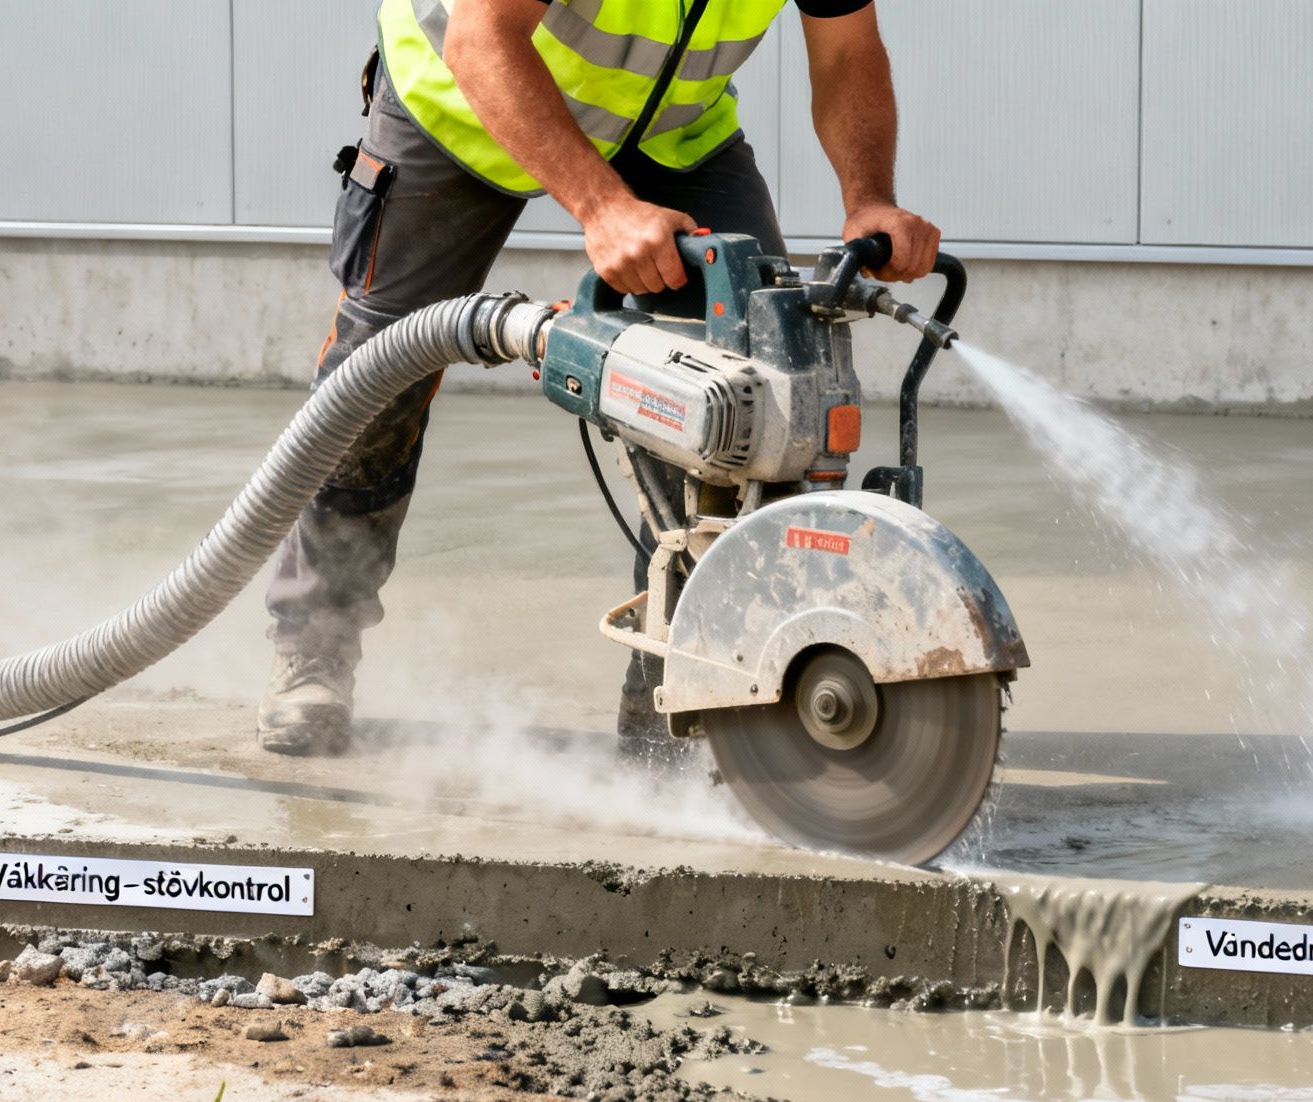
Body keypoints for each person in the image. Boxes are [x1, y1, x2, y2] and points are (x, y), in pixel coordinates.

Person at [260, 0, 941, 758]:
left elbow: (847, 53)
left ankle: (676, 688)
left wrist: (869, 196)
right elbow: (482, 40)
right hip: (460, 100)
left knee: (758, 385)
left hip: (668, 133)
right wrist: (602, 207)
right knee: (377, 376)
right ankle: (313, 647)